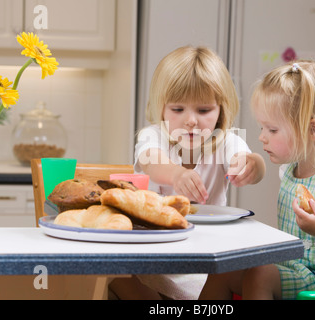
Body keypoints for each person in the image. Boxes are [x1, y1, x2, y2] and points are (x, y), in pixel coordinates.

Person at [199, 60, 315, 300]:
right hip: (299, 270)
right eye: (262, 128)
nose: (261, 137)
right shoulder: (291, 170)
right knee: (222, 270)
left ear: (313, 130)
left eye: (272, 130)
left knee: (261, 275)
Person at [109, 46, 266, 300]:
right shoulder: (153, 136)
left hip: (207, 263)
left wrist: (250, 166)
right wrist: (176, 174)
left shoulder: (225, 141)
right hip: (156, 259)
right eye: (178, 109)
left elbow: (251, 161)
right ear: (161, 109)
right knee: (115, 275)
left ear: (220, 111)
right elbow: (152, 162)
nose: (191, 120)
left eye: (203, 111)